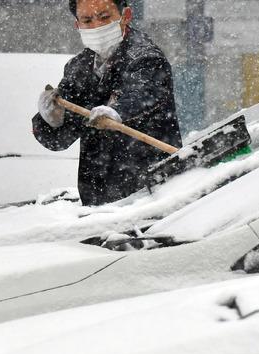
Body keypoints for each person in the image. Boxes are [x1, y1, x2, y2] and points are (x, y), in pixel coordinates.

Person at [33, 0, 181, 206]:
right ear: (77, 25)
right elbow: (59, 141)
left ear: (126, 15)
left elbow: (141, 95)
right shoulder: (78, 68)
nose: (96, 26)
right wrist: (50, 121)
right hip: (97, 201)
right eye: (87, 20)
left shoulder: (146, 58)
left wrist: (115, 112)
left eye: (104, 17)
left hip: (150, 196)